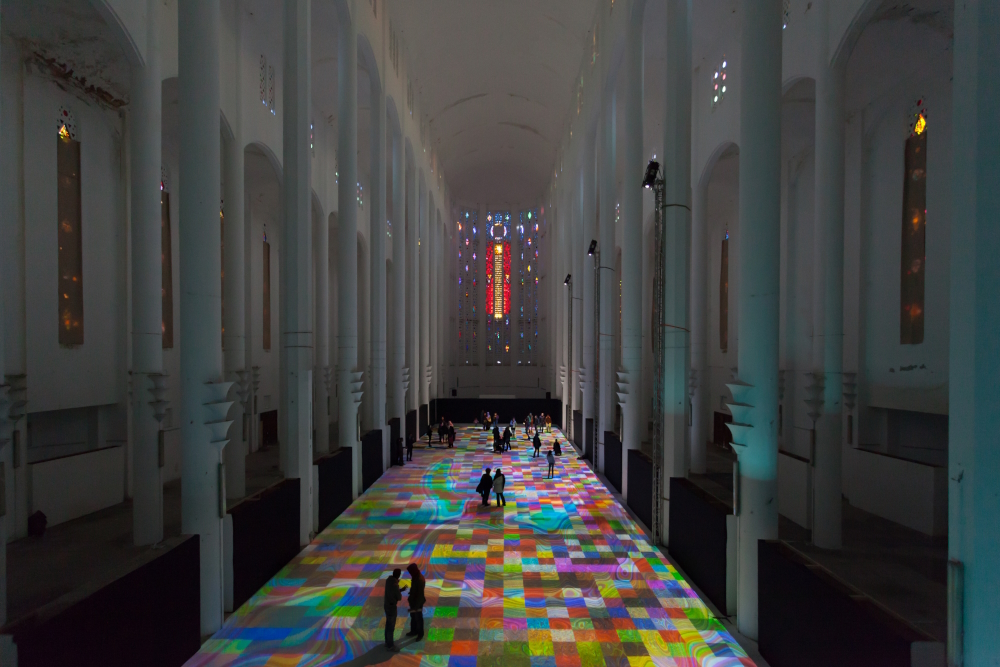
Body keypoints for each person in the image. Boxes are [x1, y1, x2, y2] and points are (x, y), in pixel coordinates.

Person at [384, 568, 407, 651]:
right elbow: (399, 597)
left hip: (386, 605)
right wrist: (399, 589)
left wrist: (400, 589)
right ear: (398, 575)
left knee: (387, 624)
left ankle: (387, 642)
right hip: (392, 607)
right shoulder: (395, 584)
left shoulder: (388, 580)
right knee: (391, 626)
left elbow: (391, 591)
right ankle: (390, 645)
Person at [406, 563, 426, 640]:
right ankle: (414, 631)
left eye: (410, 572)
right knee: (413, 617)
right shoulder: (415, 577)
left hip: (417, 603)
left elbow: (420, 595)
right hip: (413, 602)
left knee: (418, 618)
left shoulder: (419, 579)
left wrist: (416, 606)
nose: (410, 574)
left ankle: (420, 634)